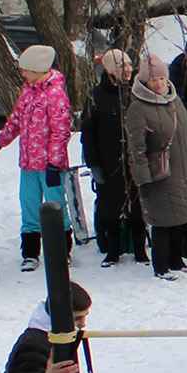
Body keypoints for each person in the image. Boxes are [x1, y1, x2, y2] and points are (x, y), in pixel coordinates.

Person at [0, 44, 74, 268]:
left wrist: (54, 164)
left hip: (49, 167)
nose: (23, 73)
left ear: (37, 69)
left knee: (56, 207)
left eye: (26, 69)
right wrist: (0, 143)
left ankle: (62, 250)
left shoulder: (56, 96)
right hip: (28, 164)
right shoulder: (28, 91)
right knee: (29, 206)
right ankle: (30, 252)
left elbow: (61, 132)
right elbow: (16, 119)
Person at [126, 49, 187, 278]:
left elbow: (186, 132)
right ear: (144, 82)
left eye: (161, 78)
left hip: (181, 169)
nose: (159, 84)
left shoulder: (175, 101)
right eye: (153, 80)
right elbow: (136, 149)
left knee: (179, 218)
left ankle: (176, 257)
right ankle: (160, 263)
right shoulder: (138, 109)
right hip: (158, 173)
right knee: (162, 220)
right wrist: (143, 179)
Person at [81, 49, 140, 265]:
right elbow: (87, 133)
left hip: (135, 161)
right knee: (111, 208)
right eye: (121, 66)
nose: (126, 70)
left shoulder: (136, 92)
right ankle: (112, 251)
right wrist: (94, 164)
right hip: (109, 161)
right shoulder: (95, 96)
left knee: (137, 207)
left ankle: (140, 249)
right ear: (108, 69)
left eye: (128, 65)